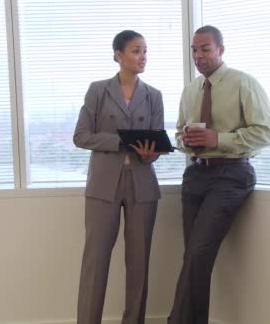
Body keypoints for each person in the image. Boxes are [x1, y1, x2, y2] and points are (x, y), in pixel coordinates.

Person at [168, 25, 270, 324]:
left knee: (198, 255)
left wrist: (219, 140)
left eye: (205, 48)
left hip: (231, 175)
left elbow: (267, 132)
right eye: (194, 49)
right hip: (195, 177)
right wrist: (185, 140)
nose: (198, 55)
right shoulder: (191, 90)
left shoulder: (244, 83)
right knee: (193, 258)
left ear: (221, 50)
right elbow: (178, 133)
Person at [73, 30, 166, 324]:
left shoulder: (153, 95)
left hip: (142, 184)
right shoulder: (98, 91)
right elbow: (81, 136)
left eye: (145, 51)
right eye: (136, 51)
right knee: (95, 262)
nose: (143, 57)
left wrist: (152, 152)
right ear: (118, 54)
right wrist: (119, 141)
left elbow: (156, 139)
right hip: (104, 185)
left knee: (139, 264)